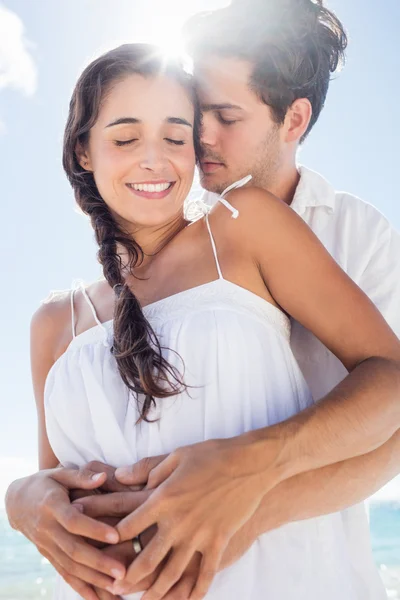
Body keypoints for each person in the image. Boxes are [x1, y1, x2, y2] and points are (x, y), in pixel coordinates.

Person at [5, 2, 400, 600]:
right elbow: (59, 483)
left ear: (293, 120)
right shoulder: (56, 321)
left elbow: (392, 397)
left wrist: (241, 495)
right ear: (84, 150)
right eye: (126, 134)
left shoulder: (287, 231)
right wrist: (21, 499)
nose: (187, 143)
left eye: (186, 127)